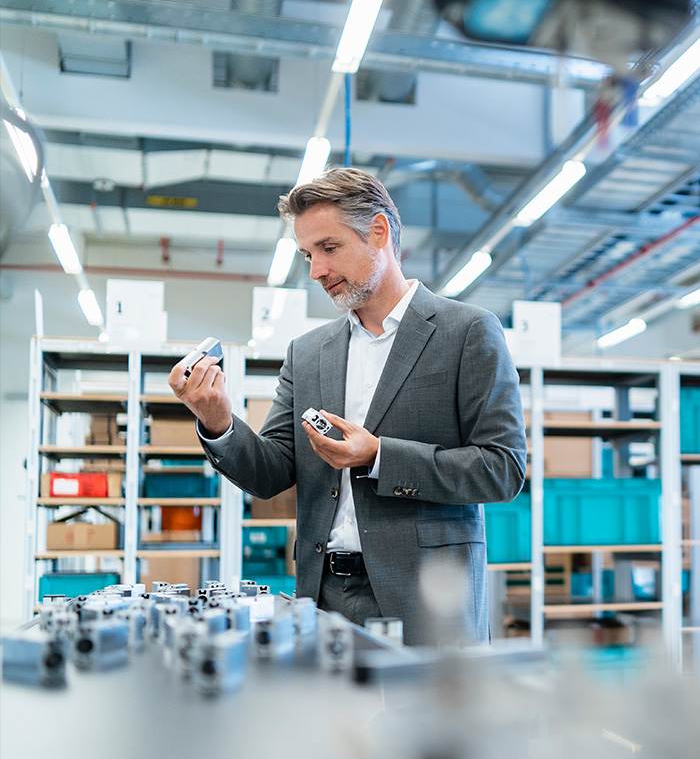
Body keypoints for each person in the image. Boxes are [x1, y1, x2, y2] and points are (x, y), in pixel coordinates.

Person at [168, 167, 526, 645]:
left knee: (420, 723)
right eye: (308, 255)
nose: (316, 271)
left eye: (329, 248)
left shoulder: (467, 333)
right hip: (322, 599)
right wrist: (217, 421)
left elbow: (502, 469)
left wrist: (379, 456)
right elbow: (272, 472)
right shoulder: (309, 352)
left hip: (426, 603)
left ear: (378, 232)